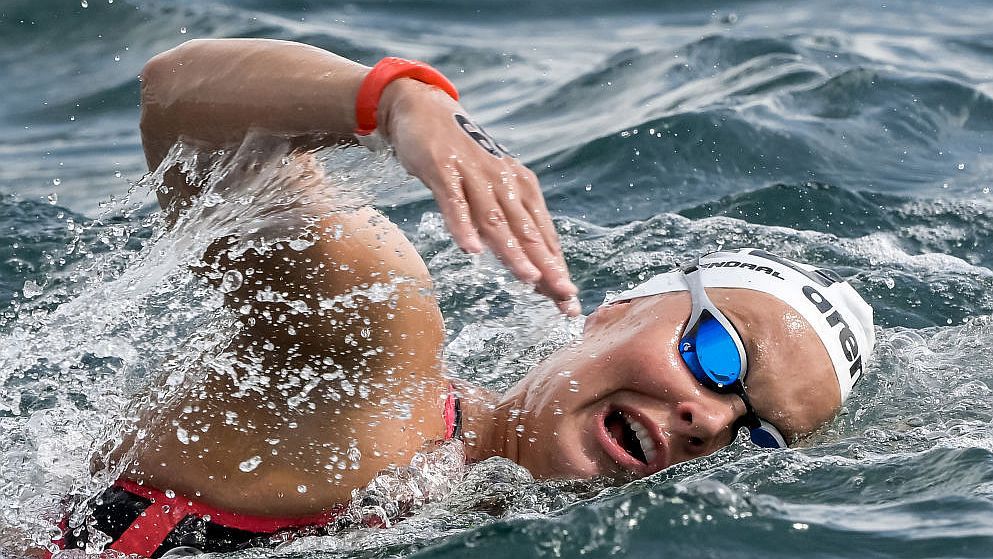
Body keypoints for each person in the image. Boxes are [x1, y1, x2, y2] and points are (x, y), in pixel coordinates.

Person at [53, 39, 875, 557]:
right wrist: (399, 101)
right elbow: (181, 105)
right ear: (614, 308)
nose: (709, 419)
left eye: (754, 435)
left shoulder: (484, 506)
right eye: (717, 353)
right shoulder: (373, 362)